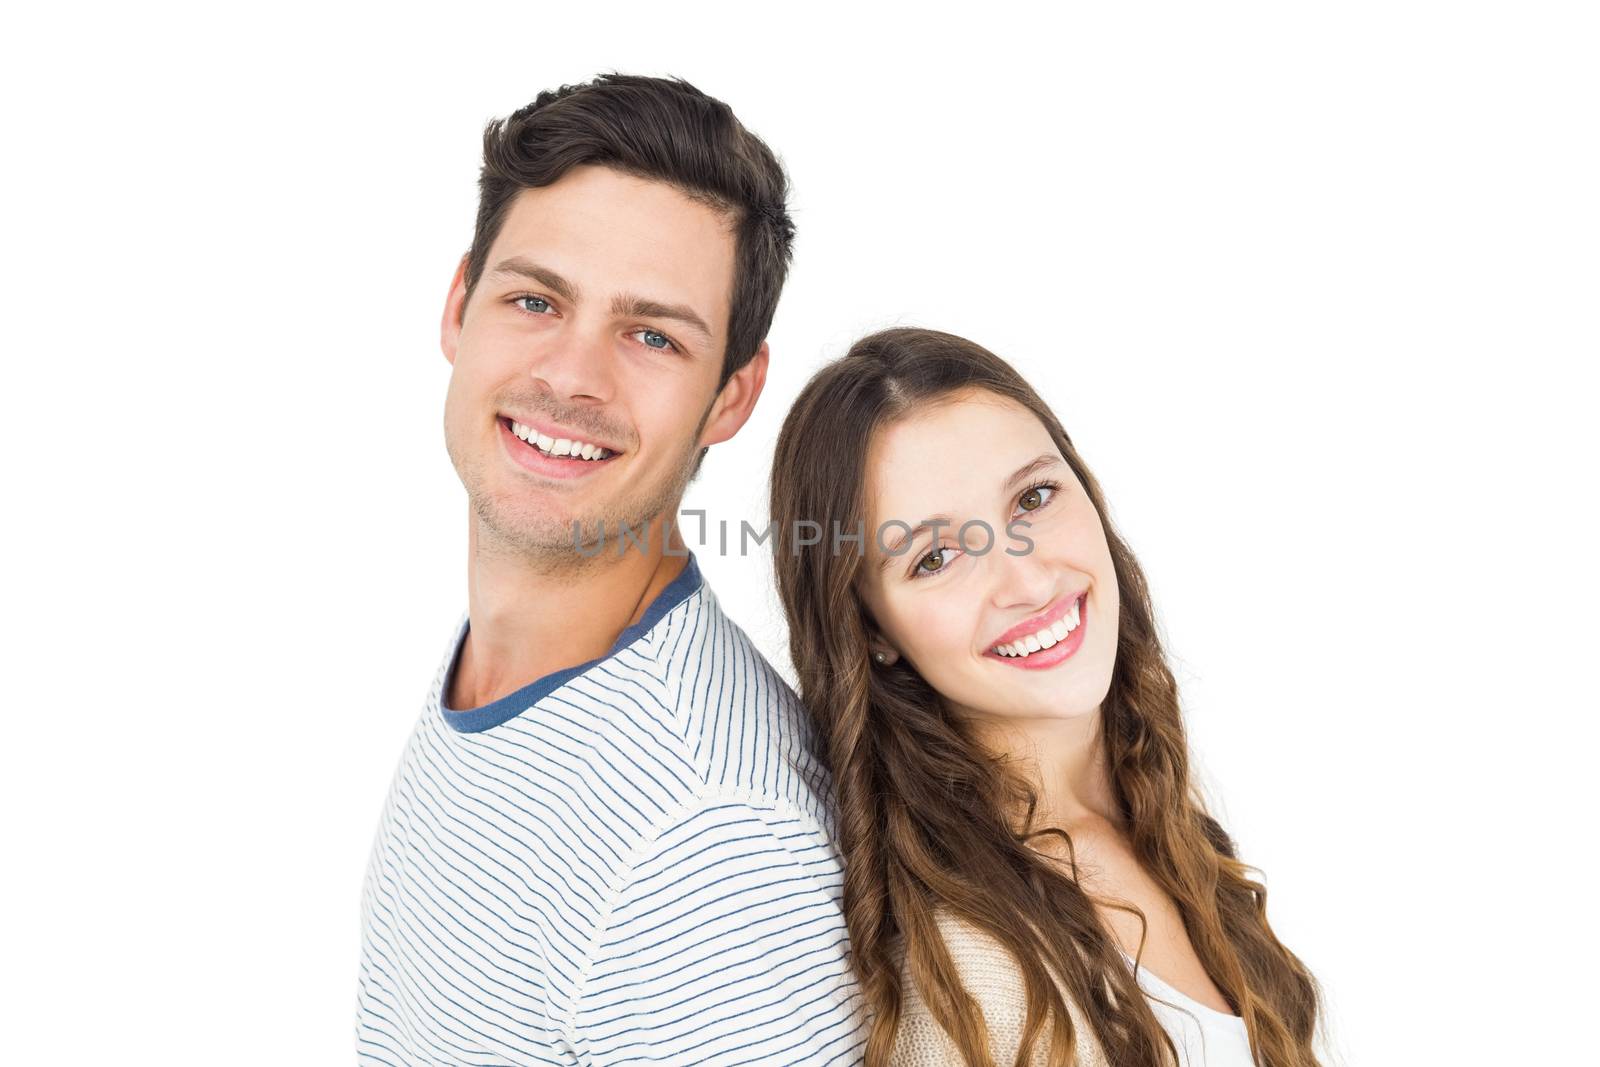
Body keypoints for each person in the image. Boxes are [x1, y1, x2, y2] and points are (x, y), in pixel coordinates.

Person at [355, 74, 867, 1065]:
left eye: (650, 335)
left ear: (731, 395)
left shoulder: (709, 848)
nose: (571, 376)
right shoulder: (505, 670)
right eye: (536, 298)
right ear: (461, 304)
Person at [768, 328, 1327, 1067]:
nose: (1027, 581)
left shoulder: (1156, 807)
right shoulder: (971, 987)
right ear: (871, 627)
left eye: (1033, 497)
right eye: (935, 556)